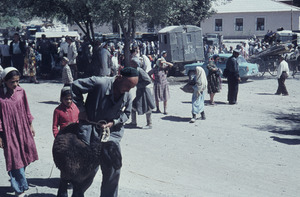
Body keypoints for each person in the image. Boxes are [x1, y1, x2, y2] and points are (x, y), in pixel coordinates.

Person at [71, 67, 139, 197]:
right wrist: (82, 109)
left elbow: (127, 113)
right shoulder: (100, 83)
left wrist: (114, 122)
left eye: (132, 87)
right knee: (88, 171)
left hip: (111, 135)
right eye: (127, 86)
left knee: (114, 168)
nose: (128, 90)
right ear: (120, 77)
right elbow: (75, 86)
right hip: (90, 133)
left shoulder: (127, 95)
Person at [0, 67, 38, 197]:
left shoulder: (21, 91)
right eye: (12, 82)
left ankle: (17, 180)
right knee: (14, 159)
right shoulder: (0, 96)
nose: (15, 84)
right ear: (4, 81)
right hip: (8, 132)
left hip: (23, 129)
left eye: (17, 81)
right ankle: (19, 189)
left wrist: (31, 125)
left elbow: (27, 110)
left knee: (24, 156)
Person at [128, 53, 155, 129]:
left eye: (132, 63)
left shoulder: (140, 70)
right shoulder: (135, 70)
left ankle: (149, 124)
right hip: (140, 92)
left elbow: (148, 80)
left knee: (148, 107)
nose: (130, 64)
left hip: (144, 91)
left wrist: (139, 85)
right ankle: (133, 122)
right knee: (133, 106)